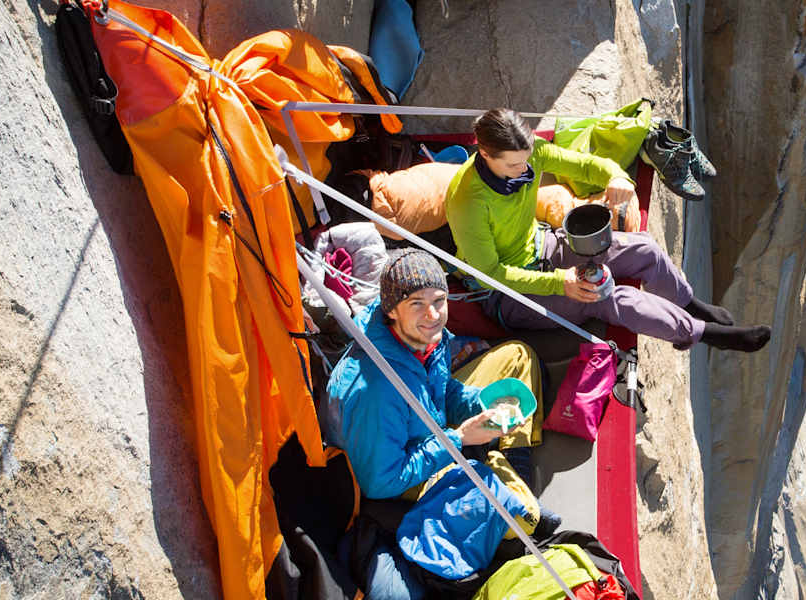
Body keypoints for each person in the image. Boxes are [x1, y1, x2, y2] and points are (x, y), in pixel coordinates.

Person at [445, 107, 772, 352]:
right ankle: (702, 333)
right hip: (507, 294)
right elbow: (491, 272)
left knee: (643, 248)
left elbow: (585, 165)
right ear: (485, 154)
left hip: (543, 244)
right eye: (514, 165)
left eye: (527, 159)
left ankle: (688, 302)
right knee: (605, 295)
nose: (525, 169)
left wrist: (616, 177)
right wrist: (561, 282)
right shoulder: (468, 201)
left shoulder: (533, 155)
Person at [326, 249, 543, 599]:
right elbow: (381, 483)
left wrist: (480, 405)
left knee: (518, 359)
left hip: (430, 431)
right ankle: (499, 479)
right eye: (416, 303)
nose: (433, 314)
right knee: (524, 517)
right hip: (396, 479)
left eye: (439, 300)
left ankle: (508, 470)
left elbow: (443, 391)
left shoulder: (428, 337)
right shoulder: (375, 389)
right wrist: (457, 439)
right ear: (391, 310)